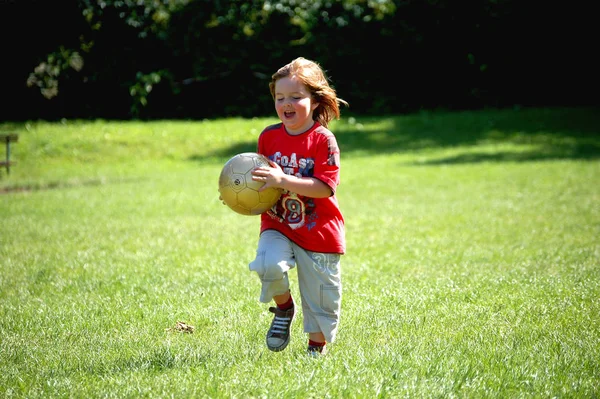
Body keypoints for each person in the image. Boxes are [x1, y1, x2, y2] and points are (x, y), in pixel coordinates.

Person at [248, 57, 348, 356]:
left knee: (321, 301)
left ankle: (315, 352)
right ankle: (284, 308)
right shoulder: (268, 136)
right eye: (280, 98)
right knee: (267, 266)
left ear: (316, 101)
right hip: (278, 223)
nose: (286, 103)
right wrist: (237, 192)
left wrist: (284, 178)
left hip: (319, 231)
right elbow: (259, 179)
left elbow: (324, 187)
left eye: (296, 97)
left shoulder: (323, 140)